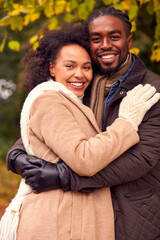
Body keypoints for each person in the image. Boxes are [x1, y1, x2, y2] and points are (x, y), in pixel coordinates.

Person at [6, 7, 160, 240]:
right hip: (84, 213)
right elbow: (51, 125)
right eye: (96, 39)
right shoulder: (83, 78)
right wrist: (16, 155)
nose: (105, 45)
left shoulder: (152, 89)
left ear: (129, 40)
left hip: (132, 212)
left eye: (114, 37)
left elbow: (141, 159)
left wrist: (65, 176)